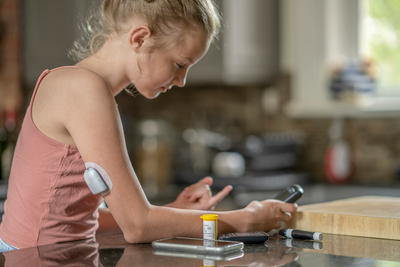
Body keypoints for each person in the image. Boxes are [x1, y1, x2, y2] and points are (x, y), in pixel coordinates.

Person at [0, 0, 297, 251]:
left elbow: (75, 219)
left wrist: (174, 211)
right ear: (140, 39)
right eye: (180, 64)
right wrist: (243, 219)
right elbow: (137, 227)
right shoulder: (83, 90)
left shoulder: (81, 86)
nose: (181, 81)